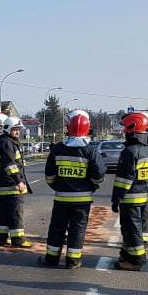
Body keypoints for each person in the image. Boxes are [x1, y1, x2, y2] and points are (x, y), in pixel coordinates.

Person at [40, 110, 106, 269]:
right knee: (78, 229)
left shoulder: (57, 149)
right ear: (87, 128)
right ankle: (73, 261)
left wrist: (59, 187)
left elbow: (49, 176)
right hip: (82, 201)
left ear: (68, 128)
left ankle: (52, 259)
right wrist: (91, 187)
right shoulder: (90, 151)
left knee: (57, 228)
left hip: (61, 198)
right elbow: (99, 175)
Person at [112, 112, 148, 270]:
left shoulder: (130, 152)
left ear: (132, 129)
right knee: (139, 228)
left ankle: (136, 260)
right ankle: (127, 254)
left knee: (131, 230)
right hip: (143, 197)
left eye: (126, 130)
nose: (124, 132)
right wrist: (147, 189)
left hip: (130, 199)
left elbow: (123, 179)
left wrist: (116, 198)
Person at [0, 116, 32, 247]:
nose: (18, 132)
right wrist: (19, 181)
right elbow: (10, 165)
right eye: (15, 129)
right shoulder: (7, 143)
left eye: (19, 129)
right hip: (11, 186)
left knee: (2, 214)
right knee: (15, 213)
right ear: (8, 129)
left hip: (1, 185)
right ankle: (18, 240)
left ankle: (0, 239)